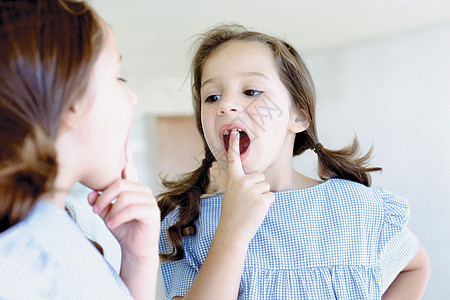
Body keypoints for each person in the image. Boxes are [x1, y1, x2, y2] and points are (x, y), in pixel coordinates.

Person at [158, 24, 431, 299]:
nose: (225, 105)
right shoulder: (189, 223)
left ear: (298, 116)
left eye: (251, 92)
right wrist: (231, 233)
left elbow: (415, 267)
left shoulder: (358, 207)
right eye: (212, 97)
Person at [0, 0, 160, 299]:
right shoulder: (23, 266)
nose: (132, 98)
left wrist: (139, 260)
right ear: (70, 98)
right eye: (118, 77)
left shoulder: (56, 243)